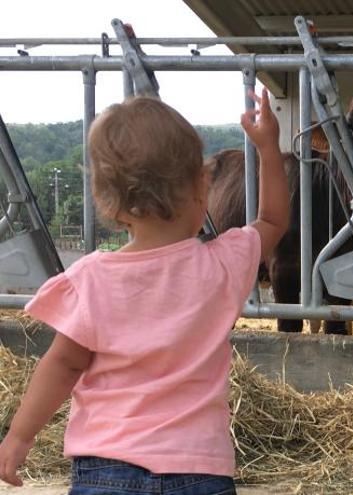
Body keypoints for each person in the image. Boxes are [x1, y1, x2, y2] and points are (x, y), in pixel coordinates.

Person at [0, 87, 289, 494]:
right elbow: (274, 220)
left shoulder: (91, 279)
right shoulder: (223, 264)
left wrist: (20, 436)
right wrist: (268, 150)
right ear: (202, 189)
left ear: (109, 206)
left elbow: (62, 364)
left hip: (107, 469)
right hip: (200, 470)